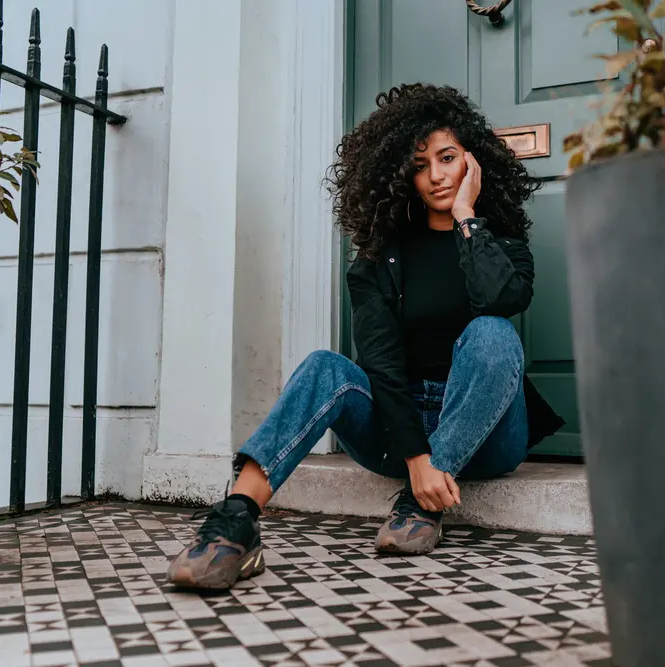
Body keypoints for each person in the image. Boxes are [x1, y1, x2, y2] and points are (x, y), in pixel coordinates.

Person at [166, 83, 565, 591]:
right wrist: (416, 458)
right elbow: (381, 361)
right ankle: (234, 523)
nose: (437, 176)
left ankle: (417, 505)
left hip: (488, 436)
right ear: (403, 175)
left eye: (448, 158)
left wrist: (467, 217)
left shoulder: (501, 243)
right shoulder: (379, 258)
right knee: (322, 366)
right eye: (421, 165)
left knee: (492, 334)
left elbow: (502, 300)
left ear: (474, 162)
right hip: (398, 429)